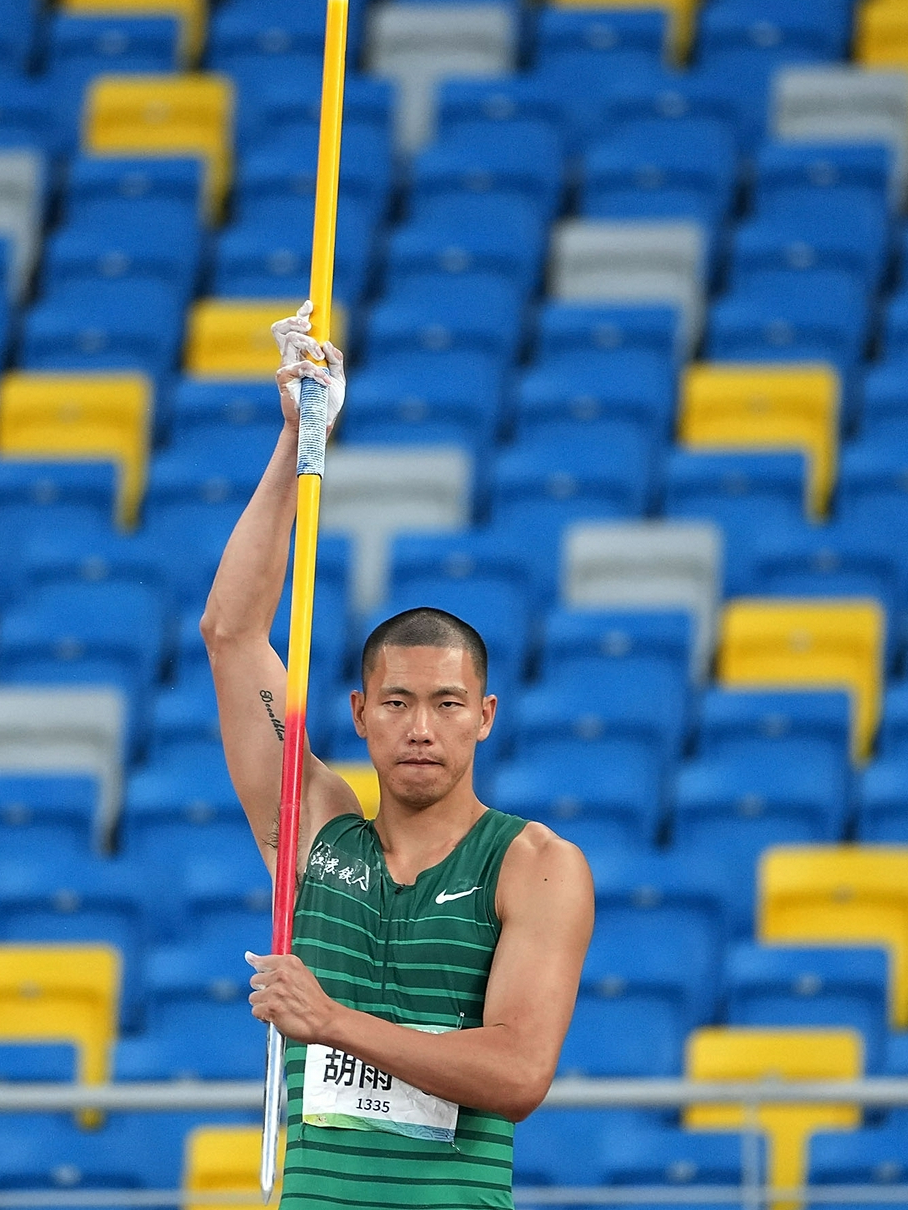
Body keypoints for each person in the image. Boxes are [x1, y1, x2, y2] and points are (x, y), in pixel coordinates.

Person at [198, 301, 595, 1208]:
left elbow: (519, 1072)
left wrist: (332, 1021)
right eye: (398, 702)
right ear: (360, 714)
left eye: (448, 704)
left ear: (484, 717)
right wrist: (298, 438)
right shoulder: (312, 832)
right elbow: (231, 634)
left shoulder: (535, 865)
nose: (422, 727)